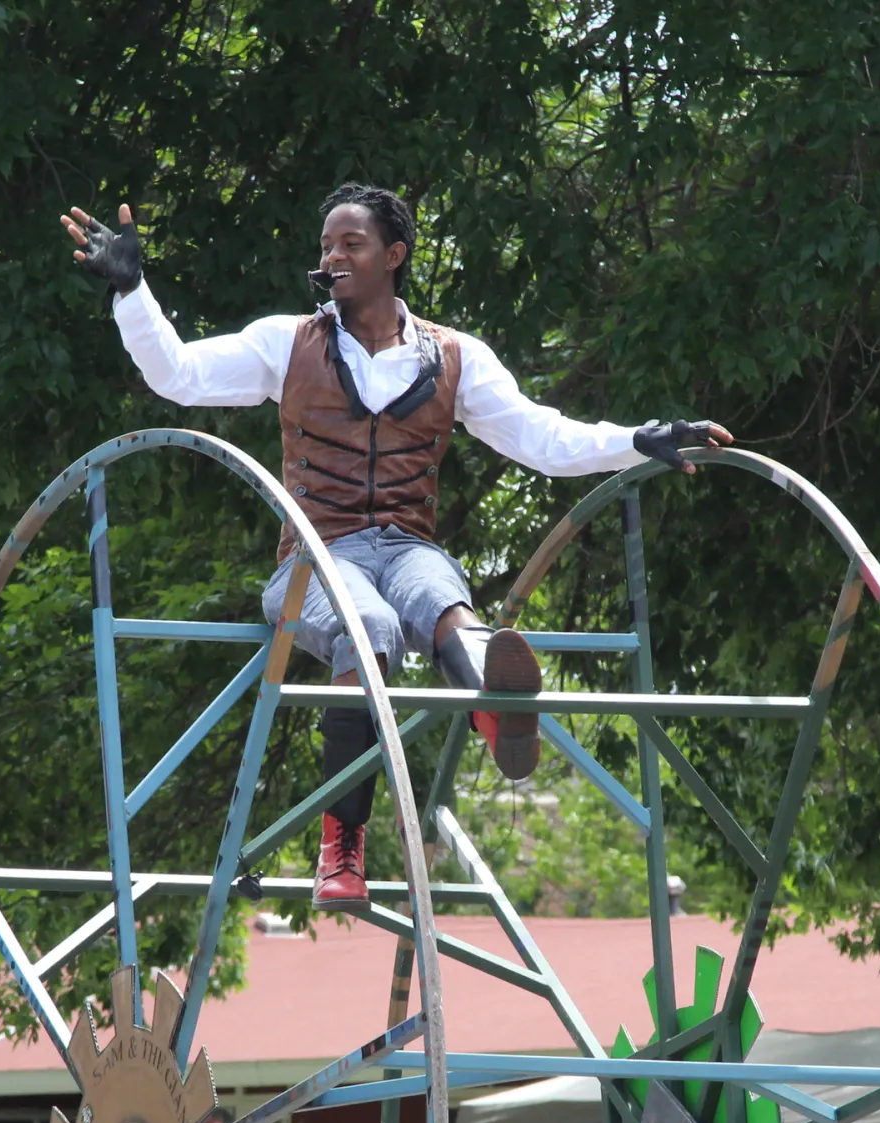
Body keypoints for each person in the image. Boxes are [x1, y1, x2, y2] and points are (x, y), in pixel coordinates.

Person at [62, 186, 730, 902]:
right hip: (317, 558)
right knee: (371, 626)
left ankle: (493, 699)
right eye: (326, 246)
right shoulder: (286, 343)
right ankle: (341, 842)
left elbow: (542, 435)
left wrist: (637, 440)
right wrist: (132, 291)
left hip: (407, 545)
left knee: (442, 599)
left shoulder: (451, 355)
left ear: (394, 256)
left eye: (349, 244)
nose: (331, 256)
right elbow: (179, 376)